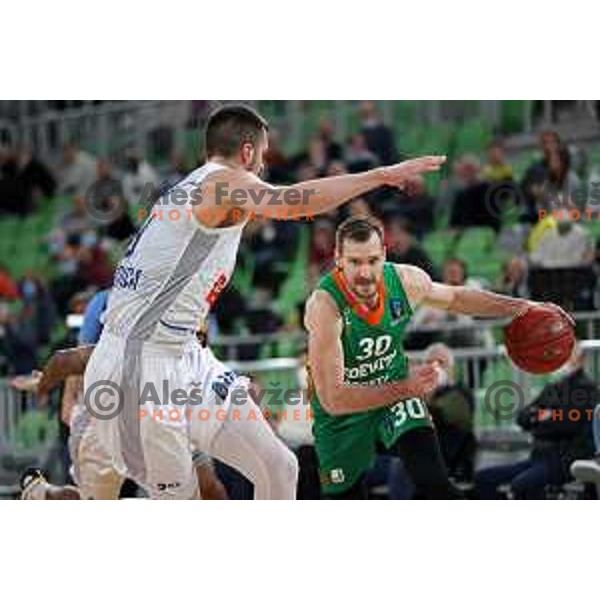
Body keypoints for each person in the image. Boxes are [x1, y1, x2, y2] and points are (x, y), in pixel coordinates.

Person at [86, 103, 447, 500]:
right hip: (138, 367)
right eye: (261, 156)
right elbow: (292, 202)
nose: (262, 169)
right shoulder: (221, 183)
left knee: (279, 467)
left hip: (184, 356)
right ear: (246, 153)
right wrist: (378, 175)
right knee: (182, 499)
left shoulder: (193, 189)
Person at [303, 216, 565, 499]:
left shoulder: (405, 281)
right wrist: (407, 386)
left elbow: (457, 297)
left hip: (394, 396)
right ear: (338, 259)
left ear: (384, 256)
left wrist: (522, 307)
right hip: (344, 411)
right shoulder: (325, 306)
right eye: (355, 262)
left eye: (373, 260)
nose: (365, 272)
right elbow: (335, 398)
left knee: (434, 483)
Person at [476, 345, 598, 499]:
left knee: (522, 484)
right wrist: (543, 416)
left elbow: (565, 425)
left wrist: (542, 421)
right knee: (484, 478)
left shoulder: (587, 389)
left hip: (564, 462)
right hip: (538, 458)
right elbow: (523, 417)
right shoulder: (553, 387)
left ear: (581, 360)